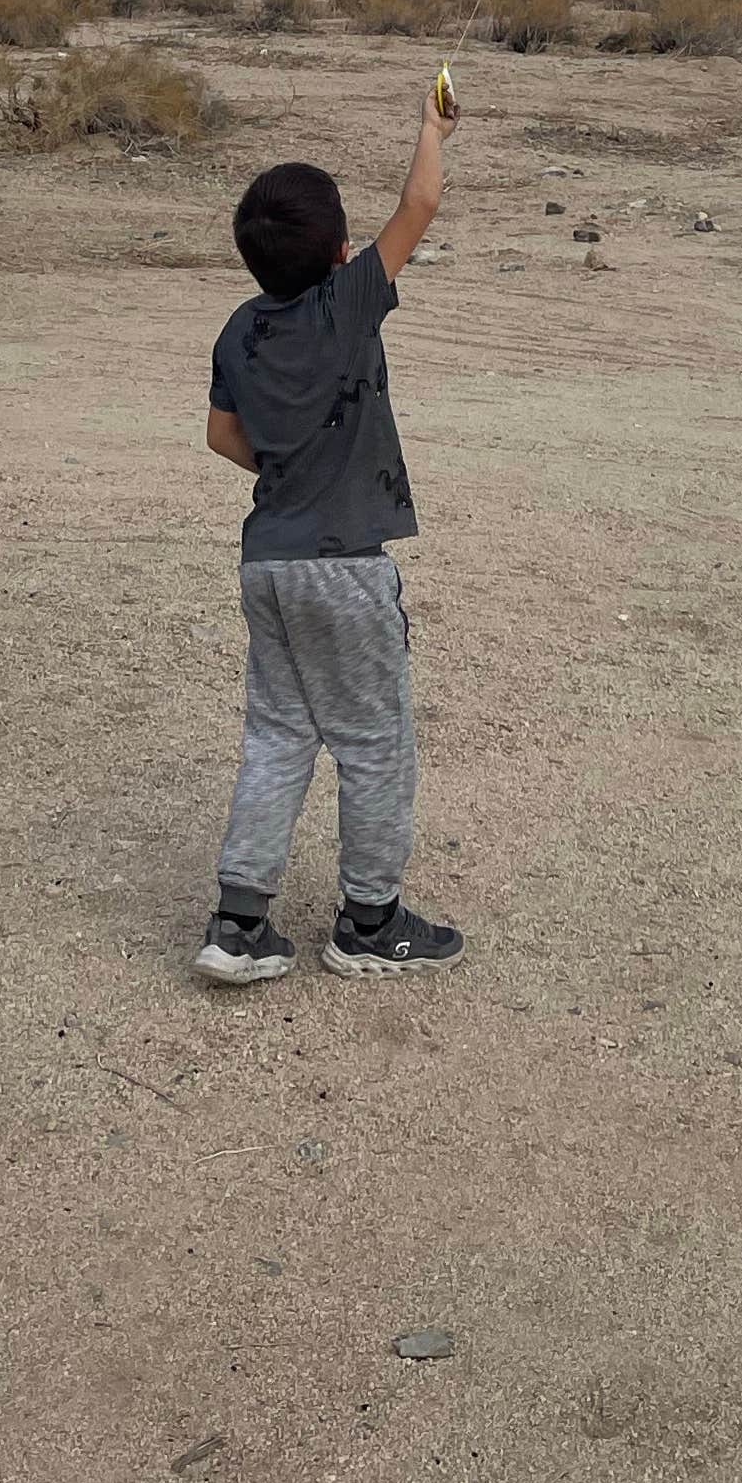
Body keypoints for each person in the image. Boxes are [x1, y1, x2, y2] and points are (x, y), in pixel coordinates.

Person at [193, 80, 464, 989]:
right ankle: (369, 922)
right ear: (343, 251)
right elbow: (419, 205)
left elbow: (223, 437)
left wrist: (284, 474)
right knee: (375, 743)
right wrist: (432, 126)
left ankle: (238, 925)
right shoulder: (347, 305)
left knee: (277, 734)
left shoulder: (240, 328)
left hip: (265, 564)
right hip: (344, 572)